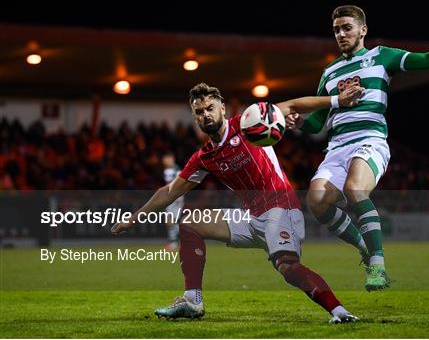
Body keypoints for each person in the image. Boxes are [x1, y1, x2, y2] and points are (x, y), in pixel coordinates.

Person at [112, 82, 364, 324]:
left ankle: (339, 310)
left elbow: (293, 105)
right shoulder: (204, 157)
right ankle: (192, 301)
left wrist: (336, 100)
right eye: (198, 112)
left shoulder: (248, 122)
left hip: (281, 209)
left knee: (287, 267)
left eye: (209, 108)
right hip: (251, 218)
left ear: (222, 108)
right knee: (190, 222)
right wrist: (134, 218)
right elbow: (170, 191)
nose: (205, 115)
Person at [286, 4, 429, 291]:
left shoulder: (381, 56)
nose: (341, 34)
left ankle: (379, 266)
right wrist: (298, 124)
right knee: (316, 200)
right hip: (336, 148)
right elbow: (317, 122)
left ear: (362, 30)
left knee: (356, 189)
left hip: (370, 139)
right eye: (336, 30)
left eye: (346, 28)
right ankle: (365, 249)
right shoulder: (330, 72)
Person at [161, 152, 184, 251]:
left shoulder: (175, 170)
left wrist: (179, 197)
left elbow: (181, 183)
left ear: (172, 159)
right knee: (170, 221)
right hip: (171, 198)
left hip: (175, 198)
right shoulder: (168, 170)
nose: (165, 161)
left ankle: (174, 243)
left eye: (167, 158)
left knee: (171, 221)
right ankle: (174, 243)